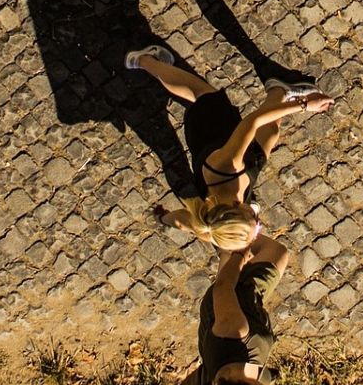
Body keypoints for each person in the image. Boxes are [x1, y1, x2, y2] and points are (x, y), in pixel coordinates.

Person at [126, 45, 332, 250]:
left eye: (253, 218)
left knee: (198, 91)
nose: (259, 223)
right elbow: (181, 222)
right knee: (271, 133)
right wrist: (163, 218)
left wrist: (304, 105)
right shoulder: (211, 227)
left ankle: (144, 59)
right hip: (244, 165)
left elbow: (252, 121)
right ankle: (279, 89)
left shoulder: (228, 166)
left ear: (235, 208)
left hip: (211, 127)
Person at [178, 237, 292, 385]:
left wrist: (242, 252)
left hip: (242, 292)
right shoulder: (224, 384)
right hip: (240, 312)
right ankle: (226, 249)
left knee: (277, 252)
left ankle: (235, 233)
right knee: (227, 258)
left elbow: (223, 287)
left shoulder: (235, 334)